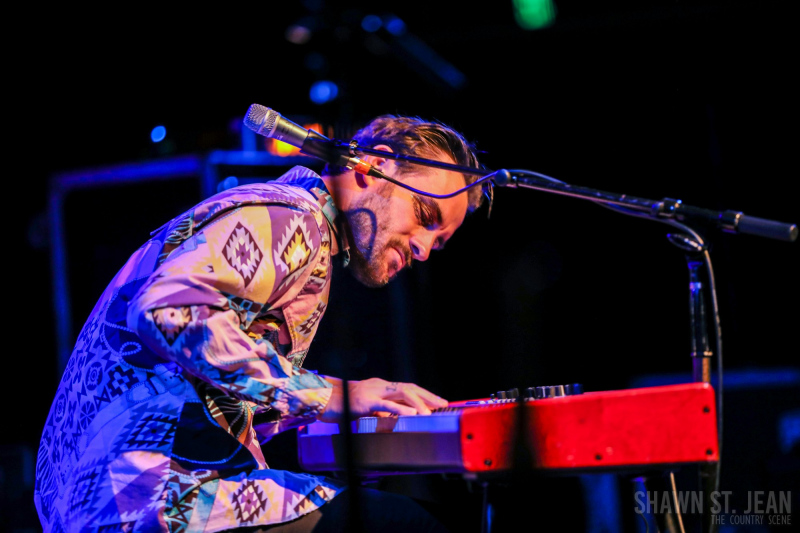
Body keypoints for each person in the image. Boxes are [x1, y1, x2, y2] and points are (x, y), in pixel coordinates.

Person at [34, 113, 484, 532]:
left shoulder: (290, 219)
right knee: (425, 525)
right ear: (374, 165)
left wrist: (354, 411)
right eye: (425, 216)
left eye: (438, 243)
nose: (423, 249)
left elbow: (203, 386)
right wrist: (330, 396)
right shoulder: (292, 218)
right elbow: (167, 310)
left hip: (110, 496)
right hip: (155, 496)